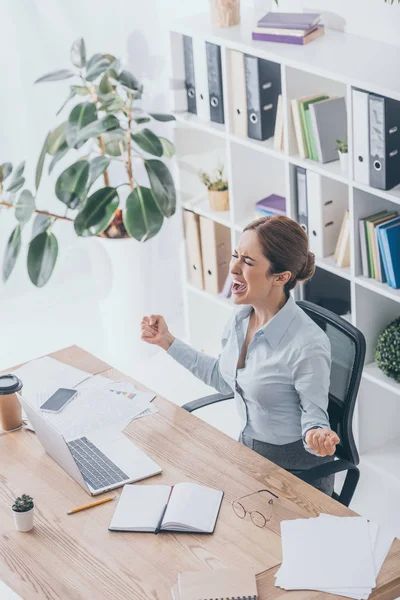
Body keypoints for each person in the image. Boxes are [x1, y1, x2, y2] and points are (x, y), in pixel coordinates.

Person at [141, 215, 340, 496]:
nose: (232, 267)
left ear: (280, 277)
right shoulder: (240, 319)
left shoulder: (307, 345)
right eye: (236, 255)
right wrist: (168, 341)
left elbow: (314, 417)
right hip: (247, 453)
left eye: (247, 261)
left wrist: (318, 436)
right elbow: (222, 379)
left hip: (295, 474)